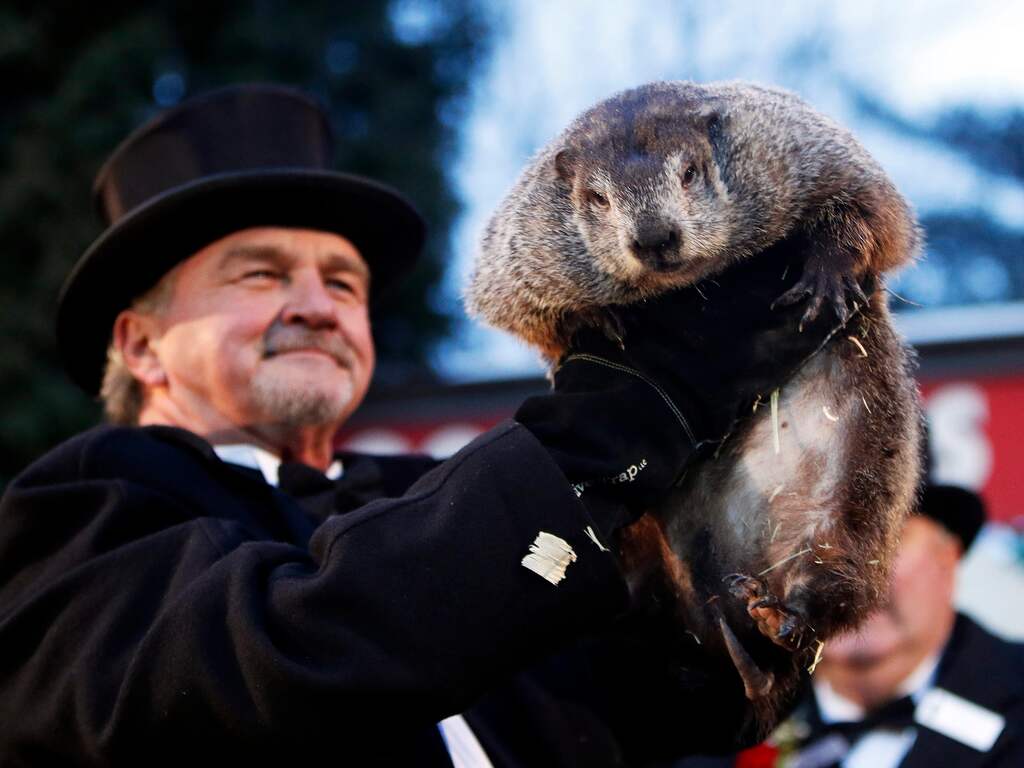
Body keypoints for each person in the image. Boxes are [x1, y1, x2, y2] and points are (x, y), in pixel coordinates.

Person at [0, 84, 842, 766]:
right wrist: (620, 419)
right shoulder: (82, 509)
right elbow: (275, 663)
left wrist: (759, 569)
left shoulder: (424, 496)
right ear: (141, 345)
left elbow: (660, 708)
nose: (314, 308)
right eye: (258, 275)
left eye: (341, 283)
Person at [679, 484, 1024, 768]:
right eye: (811, 541)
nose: (846, 572)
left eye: (883, 537)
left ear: (947, 557)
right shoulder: (713, 720)